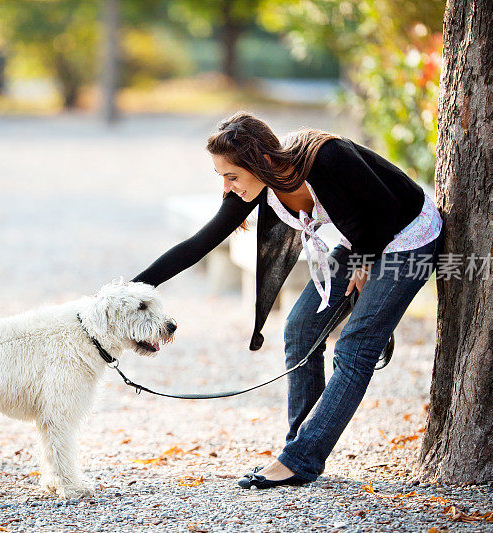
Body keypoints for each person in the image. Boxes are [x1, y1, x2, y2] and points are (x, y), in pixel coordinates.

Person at [131, 112, 443, 489]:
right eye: (221, 178)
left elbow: (386, 208)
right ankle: (300, 446)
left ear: (259, 161)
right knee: (299, 328)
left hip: (408, 234)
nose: (228, 187)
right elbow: (198, 246)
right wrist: (128, 291)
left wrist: (365, 264)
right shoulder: (254, 186)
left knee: (355, 347)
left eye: (232, 175)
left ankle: (299, 460)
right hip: (361, 238)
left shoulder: (327, 156)